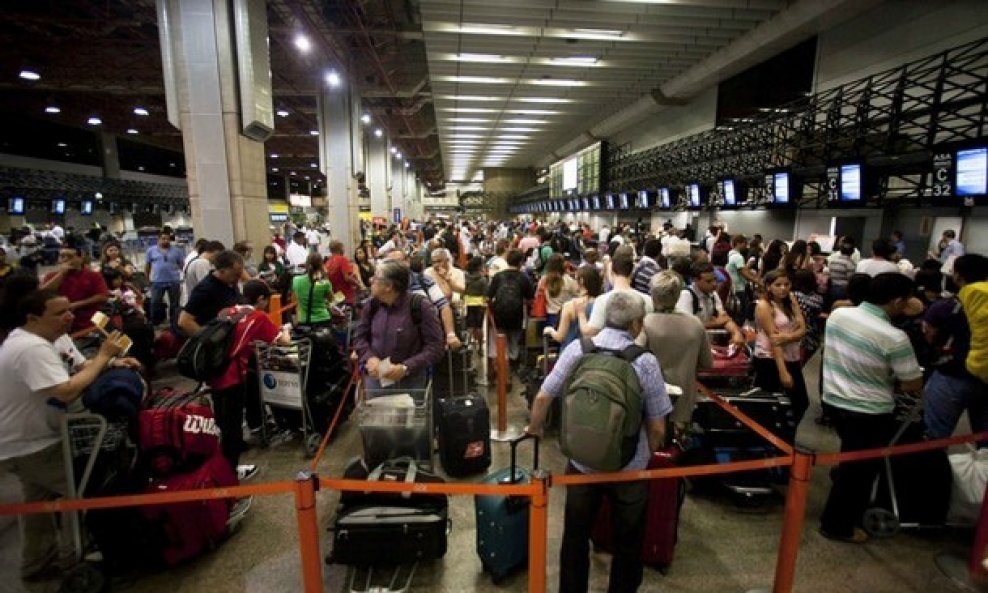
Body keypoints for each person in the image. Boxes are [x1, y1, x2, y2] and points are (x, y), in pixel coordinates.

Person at [527, 292, 672, 593]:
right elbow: (657, 426)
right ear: (635, 323)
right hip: (630, 467)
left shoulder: (579, 349)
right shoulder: (644, 362)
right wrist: (649, 453)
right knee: (628, 541)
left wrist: (534, 428)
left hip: (582, 462)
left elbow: (543, 396)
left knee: (576, 535)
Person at [0, 289, 137, 582]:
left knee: (37, 502)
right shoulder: (29, 348)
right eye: (60, 312)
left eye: (69, 309)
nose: (70, 316)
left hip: (29, 439)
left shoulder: (51, 339)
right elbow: (66, 391)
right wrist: (103, 356)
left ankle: (36, 563)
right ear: (33, 318)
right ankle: (79, 560)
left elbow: (79, 366)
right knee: (90, 489)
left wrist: (110, 363)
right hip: (31, 444)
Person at [819, 273, 924, 544]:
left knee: (851, 462)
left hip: (834, 400)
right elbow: (912, 383)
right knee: (860, 473)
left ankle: (842, 499)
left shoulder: (839, 316)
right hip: (869, 411)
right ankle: (837, 525)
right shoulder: (894, 337)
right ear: (897, 300)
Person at [209, 280, 291, 480]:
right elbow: (283, 342)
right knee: (233, 428)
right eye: (267, 300)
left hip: (213, 373)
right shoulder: (258, 316)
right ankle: (230, 473)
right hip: (233, 377)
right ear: (261, 299)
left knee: (220, 423)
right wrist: (286, 329)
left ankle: (219, 467)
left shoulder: (226, 311)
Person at [353, 260, 445, 390]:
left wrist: (405, 367)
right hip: (376, 382)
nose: (370, 280)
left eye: (376, 278)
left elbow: (436, 347)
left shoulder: (420, 306)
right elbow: (359, 337)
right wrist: (369, 358)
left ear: (388, 286)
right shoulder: (372, 305)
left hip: (411, 384)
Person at [923, 254, 988, 438]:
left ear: (957, 276)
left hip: (951, 375)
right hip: (985, 376)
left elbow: (930, 336)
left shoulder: (944, 306)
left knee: (936, 436)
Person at [638, 270, 712, 433]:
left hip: (651, 403)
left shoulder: (644, 324)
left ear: (653, 294)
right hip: (684, 404)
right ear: (678, 295)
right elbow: (707, 363)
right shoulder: (695, 323)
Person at [753, 270, 809, 428]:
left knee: (801, 403)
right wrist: (783, 371)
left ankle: (787, 438)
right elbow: (775, 340)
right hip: (771, 359)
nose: (783, 288)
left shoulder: (790, 300)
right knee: (774, 404)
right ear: (769, 286)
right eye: (778, 285)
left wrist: (789, 337)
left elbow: (803, 328)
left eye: (786, 284)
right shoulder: (764, 306)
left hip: (792, 356)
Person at [40, 246, 109, 333]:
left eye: (70, 257)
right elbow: (41, 296)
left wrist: (76, 305)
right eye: (62, 256)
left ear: (80, 258)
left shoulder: (93, 275)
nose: (65, 260)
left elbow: (103, 296)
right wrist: (61, 274)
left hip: (89, 324)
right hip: (58, 327)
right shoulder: (51, 276)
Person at [585, 247, 653, 337]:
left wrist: (580, 314)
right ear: (632, 272)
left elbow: (591, 332)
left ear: (612, 271)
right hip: (639, 349)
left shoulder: (602, 301)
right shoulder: (648, 300)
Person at [487, 248, 536, 371]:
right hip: (516, 316)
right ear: (520, 262)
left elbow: (488, 297)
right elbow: (531, 299)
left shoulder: (498, 277)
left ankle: (501, 369)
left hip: (498, 315)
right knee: (514, 342)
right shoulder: (524, 278)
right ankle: (511, 366)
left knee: (499, 342)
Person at [177, 250, 245, 336]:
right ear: (222, 271)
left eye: (239, 275)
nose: (238, 279)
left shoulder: (230, 283)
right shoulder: (205, 289)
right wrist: (208, 340)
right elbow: (184, 321)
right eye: (235, 275)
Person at [675, 263, 745, 346]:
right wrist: (715, 323)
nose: (714, 284)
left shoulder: (713, 294)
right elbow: (686, 326)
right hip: (690, 346)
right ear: (695, 280)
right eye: (709, 281)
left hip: (708, 345)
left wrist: (736, 332)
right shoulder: (686, 295)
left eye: (715, 279)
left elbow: (725, 319)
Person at [545, 266, 603, 351]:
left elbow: (560, 336)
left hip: (570, 353)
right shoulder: (601, 304)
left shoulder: (569, 306)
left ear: (581, 281)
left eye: (575, 279)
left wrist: (550, 330)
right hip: (594, 354)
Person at [145, 231, 185, 327]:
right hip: (157, 281)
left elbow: (182, 265)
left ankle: (173, 322)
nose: (165, 241)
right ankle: (155, 323)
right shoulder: (151, 251)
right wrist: (148, 278)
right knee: (155, 303)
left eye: (167, 239)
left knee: (174, 304)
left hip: (173, 281)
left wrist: (183, 277)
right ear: (158, 239)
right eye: (163, 239)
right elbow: (147, 266)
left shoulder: (177, 251)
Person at [292, 253, 334, 327]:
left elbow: (296, 298)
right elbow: (331, 300)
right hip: (322, 320)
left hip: (303, 321)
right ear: (322, 266)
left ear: (306, 264)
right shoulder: (325, 283)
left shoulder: (296, 280)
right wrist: (325, 275)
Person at [726, 234, 759, 324]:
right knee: (742, 312)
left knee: (735, 311)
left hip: (733, 286)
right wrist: (757, 281)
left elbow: (741, 269)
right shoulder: (738, 257)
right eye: (744, 243)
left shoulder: (730, 254)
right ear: (738, 243)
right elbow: (743, 272)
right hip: (739, 287)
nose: (746, 246)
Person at [539, 254, 578, 329]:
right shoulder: (569, 280)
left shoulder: (544, 279)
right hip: (566, 315)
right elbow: (578, 296)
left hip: (549, 316)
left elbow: (538, 294)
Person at [181, 240, 224, 306]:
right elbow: (207, 285)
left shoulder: (197, 260)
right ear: (216, 252)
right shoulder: (202, 263)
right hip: (199, 303)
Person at [463, 256, 488, 347]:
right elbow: (485, 293)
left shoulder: (466, 277)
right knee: (479, 326)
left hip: (468, 303)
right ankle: (480, 346)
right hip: (480, 304)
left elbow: (464, 290)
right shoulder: (482, 279)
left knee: (469, 326)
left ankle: (468, 343)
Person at [826, 237, 857, 303]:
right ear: (852, 252)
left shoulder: (832, 261)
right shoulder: (850, 263)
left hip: (832, 288)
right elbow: (850, 280)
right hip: (843, 290)